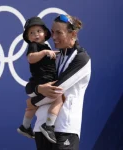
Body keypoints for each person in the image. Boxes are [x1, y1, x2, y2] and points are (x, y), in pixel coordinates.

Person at [34, 14, 91, 150]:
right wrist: (37, 89)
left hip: (65, 129)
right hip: (42, 128)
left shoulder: (81, 59)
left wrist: (33, 101)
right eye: (53, 32)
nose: (53, 37)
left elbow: (56, 90)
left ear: (73, 34)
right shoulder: (55, 56)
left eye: (59, 32)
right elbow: (33, 85)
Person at [17, 17, 64, 143]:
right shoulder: (34, 46)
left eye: (38, 31)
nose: (35, 34)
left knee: (32, 106)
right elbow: (30, 58)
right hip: (40, 83)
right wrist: (44, 53)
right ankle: (48, 126)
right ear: (28, 37)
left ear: (45, 32)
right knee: (59, 98)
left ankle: (25, 126)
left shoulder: (47, 46)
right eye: (31, 33)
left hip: (40, 85)